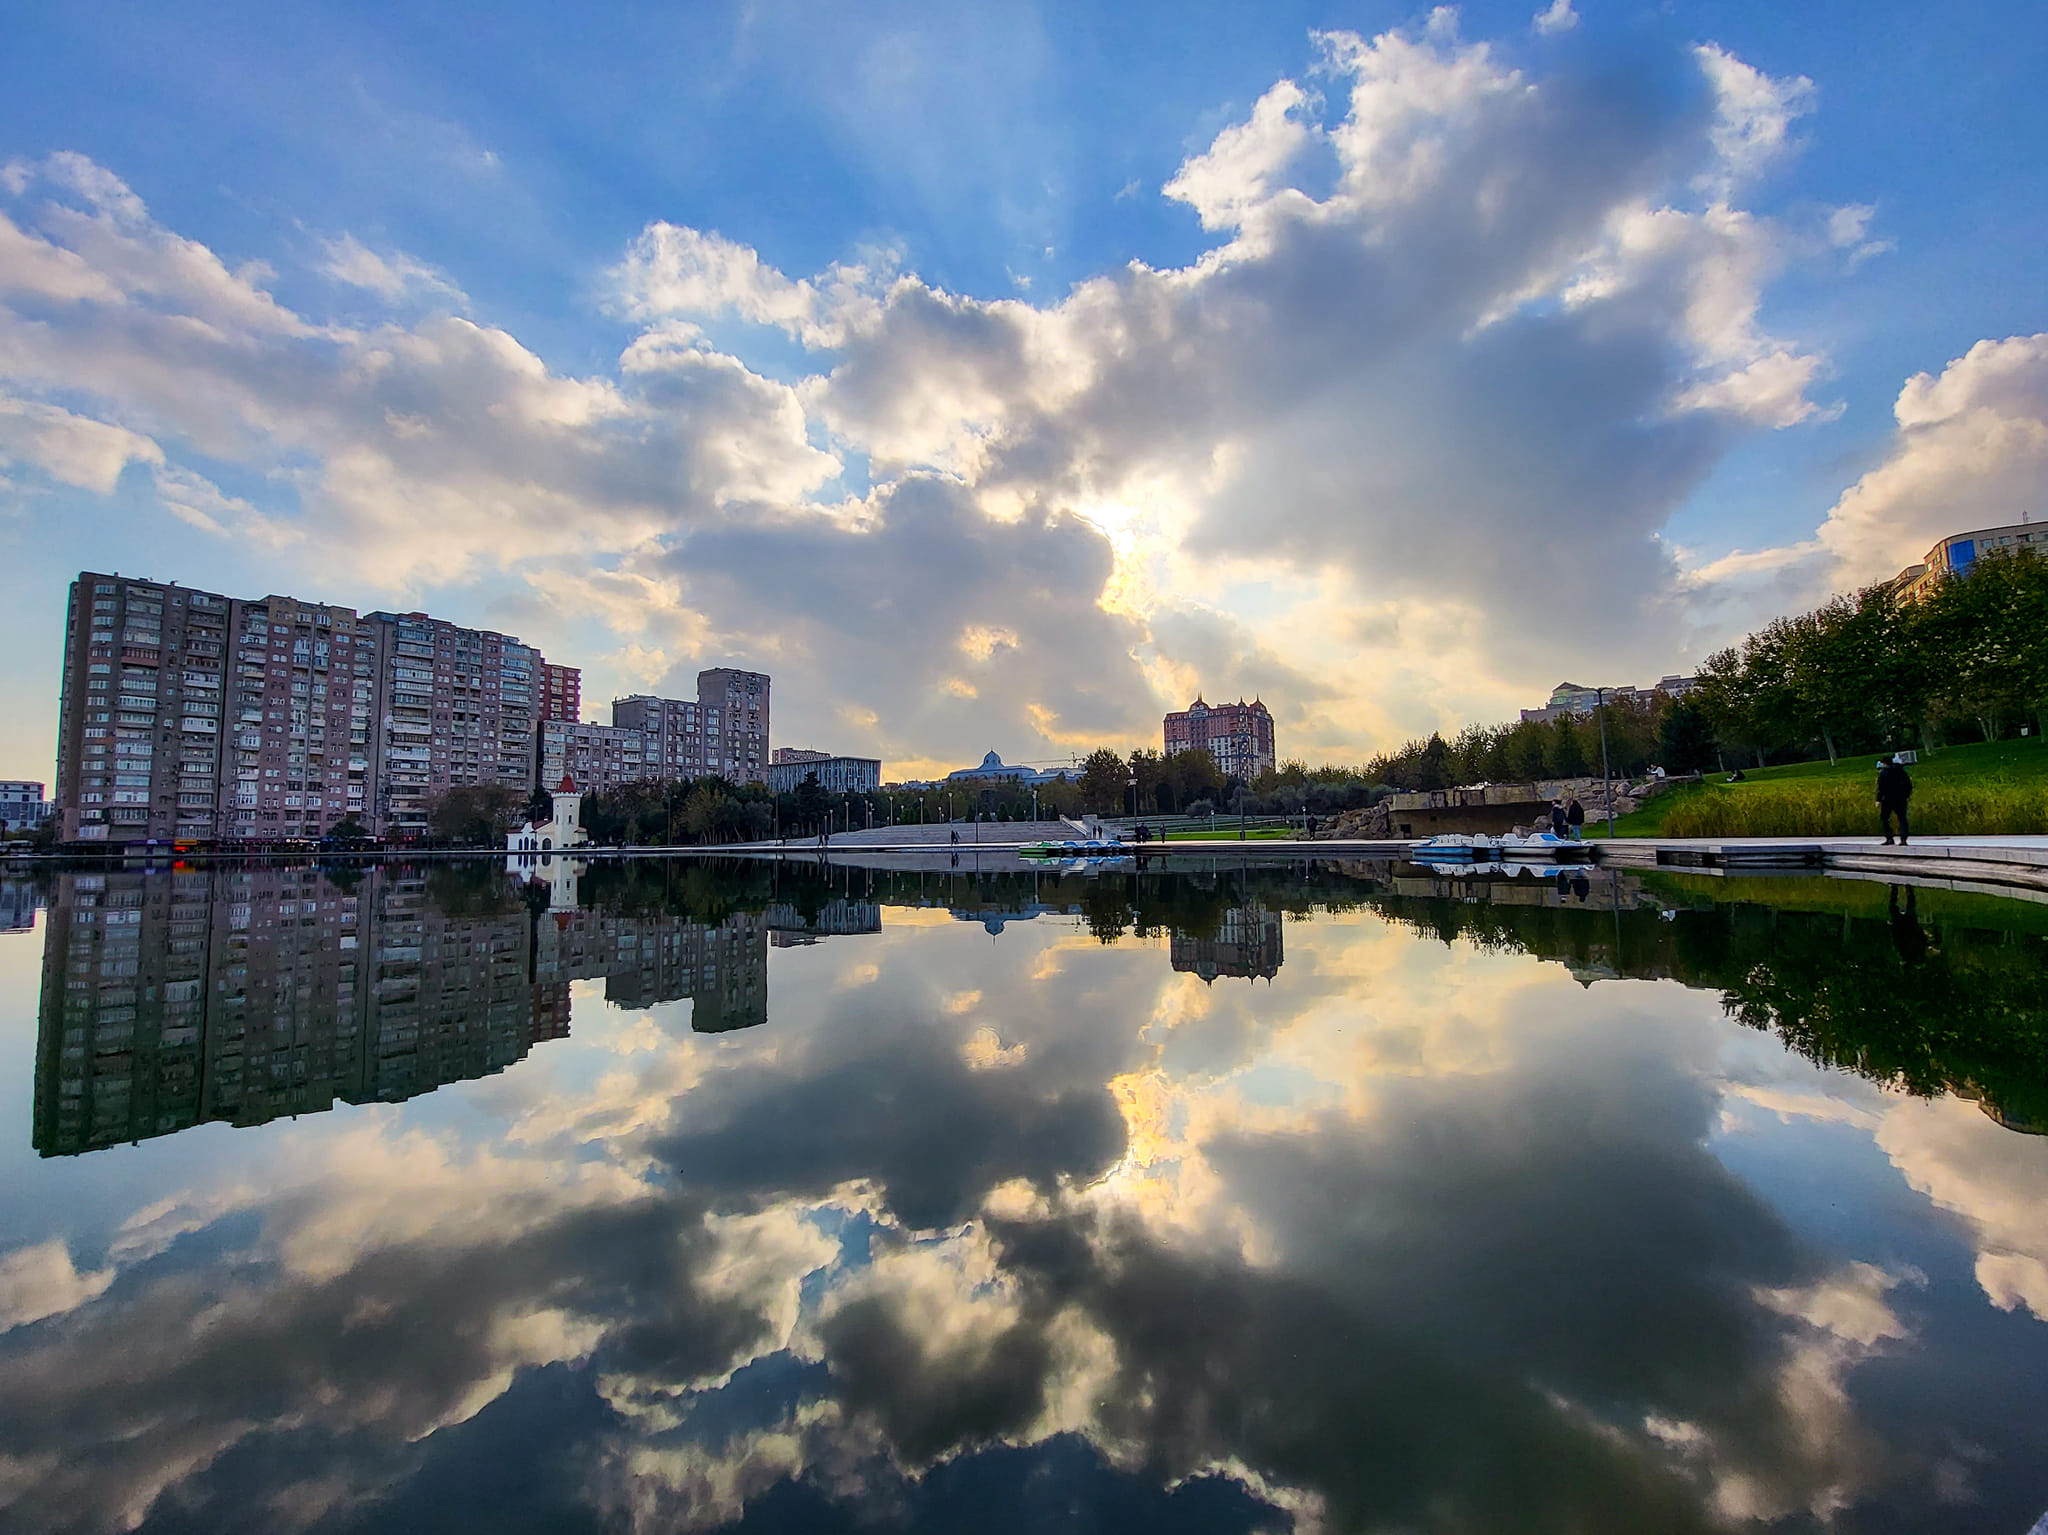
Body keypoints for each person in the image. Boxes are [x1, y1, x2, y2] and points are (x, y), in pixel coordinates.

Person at [1876, 754, 1913, 845]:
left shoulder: (1883, 773)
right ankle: (1903, 839)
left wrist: (1878, 800)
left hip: (1888, 799)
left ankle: (1889, 837)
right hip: (1900, 798)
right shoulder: (1900, 771)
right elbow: (1908, 784)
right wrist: (1906, 795)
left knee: (1884, 818)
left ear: (1884, 763)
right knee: (1902, 818)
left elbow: (1881, 788)